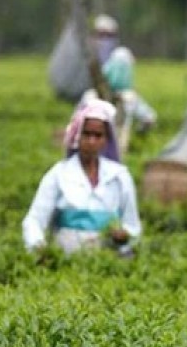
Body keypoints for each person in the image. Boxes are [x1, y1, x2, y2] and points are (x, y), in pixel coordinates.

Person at [23, 99, 141, 256]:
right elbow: (34, 220)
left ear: (106, 140)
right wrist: (39, 248)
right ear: (77, 136)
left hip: (109, 259)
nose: (92, 141)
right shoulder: (59, 174)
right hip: (67, 258)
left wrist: (124, 235)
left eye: (98, 135)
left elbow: (132, 225)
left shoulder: (119, 176)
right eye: (87, 134)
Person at [76, 46, 158, 136]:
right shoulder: (130, 97)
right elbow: (149, 117)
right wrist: (140, 132)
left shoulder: (91, 94)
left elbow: (77, 118)